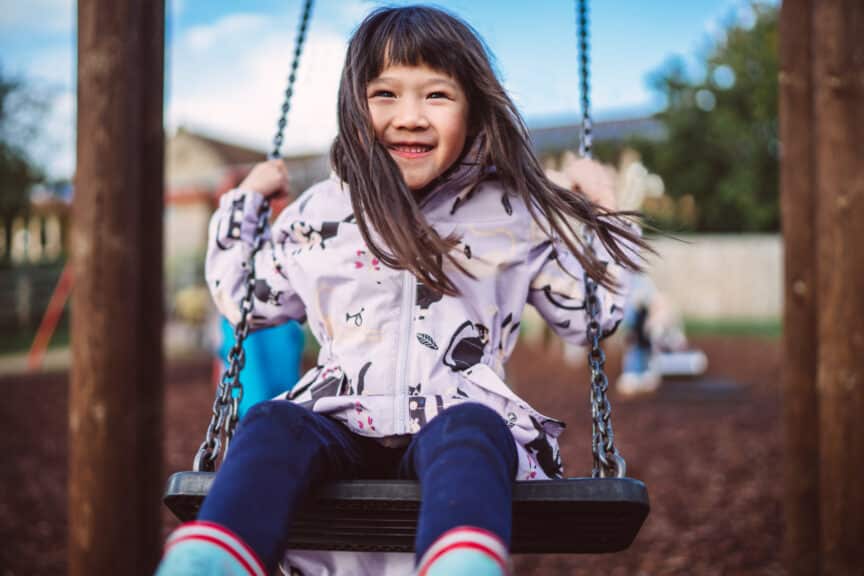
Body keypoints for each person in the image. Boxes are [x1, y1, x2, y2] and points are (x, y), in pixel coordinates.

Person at [156, 6, 646, 576]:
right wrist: (245, 204)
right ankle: (212, 558)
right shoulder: (320, 215)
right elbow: (243, 297)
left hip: (456, 426)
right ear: (354, 106)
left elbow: (592, 318)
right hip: (337, 427)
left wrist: (603, 212)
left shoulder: (513, 215)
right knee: (272, 423)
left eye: (436, 95)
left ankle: (462, 565)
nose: (409, 117)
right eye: (385, 94)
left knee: (475, 428)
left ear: (474, 109)